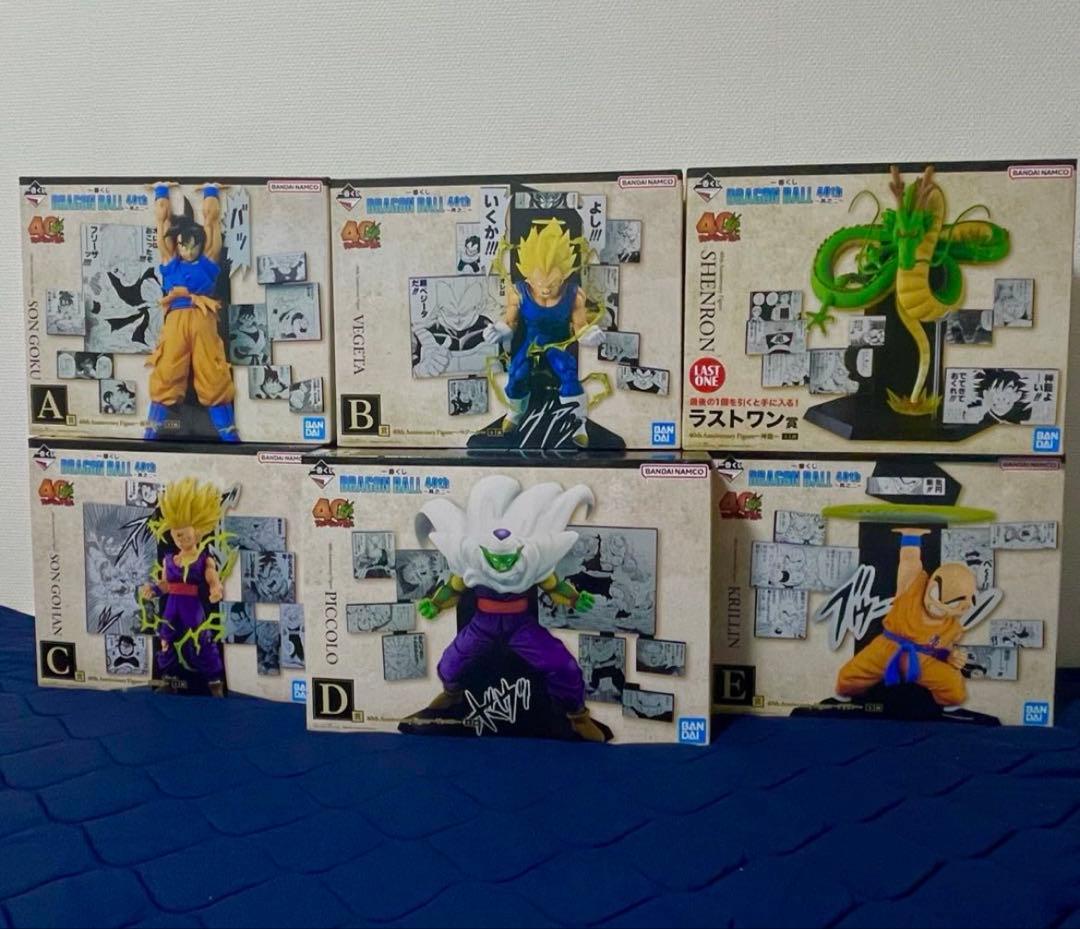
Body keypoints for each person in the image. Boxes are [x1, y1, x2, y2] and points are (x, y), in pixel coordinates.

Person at [484, 219, 605, 446]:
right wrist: (500, 331)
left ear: (564, 276)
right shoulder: (518, 292)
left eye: (553, 283)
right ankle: (516, 412)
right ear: (528, 278)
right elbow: (510, 322)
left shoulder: (574, 294)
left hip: (558, 344)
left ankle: (577, 422)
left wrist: (588, 335)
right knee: (517, 372)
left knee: (567, 373)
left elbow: (580, 326)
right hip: (530, 342)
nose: (547, 289)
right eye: (540, 284)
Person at [835, 528, 976, 708]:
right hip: (887, 649)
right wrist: (911, 537)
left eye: (951, 604)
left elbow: (943, 649)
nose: (936, 606)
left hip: (923, 659)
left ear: (961, 608)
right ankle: (847, 695)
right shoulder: (912, 591)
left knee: (954, 688)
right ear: (931, 584)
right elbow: (910, 562)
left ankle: (945, 707)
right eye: (935, 594)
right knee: (847, 678)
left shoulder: (952, 626)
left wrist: (951, 657)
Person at [144, 182, 238, 441]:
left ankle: (230, 436)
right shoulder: (171, 263)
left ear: (199, 244)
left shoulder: (208, 262)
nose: (187, 250)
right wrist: (161, 191)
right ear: (177, 245)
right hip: (176, 320)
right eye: (183, 245)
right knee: (166, 373)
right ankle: (149, 434)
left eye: (192, 245)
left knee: (213, 375)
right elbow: (161, 222)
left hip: (202, 317)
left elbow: (212, 223)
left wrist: (211, 191)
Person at [139, 479, 226, 695]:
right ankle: (169, 679)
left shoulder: (204, 559)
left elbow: (212, 578)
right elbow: (165, 584)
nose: (179, 538)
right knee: (166, 640)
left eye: (184, 534)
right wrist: (153, 590)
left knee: (201, 641)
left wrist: (216, 589)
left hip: (192, 605)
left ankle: (214, 681)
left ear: (197, 533)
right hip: (172, 606)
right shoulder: (170, 559)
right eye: (176, 534)